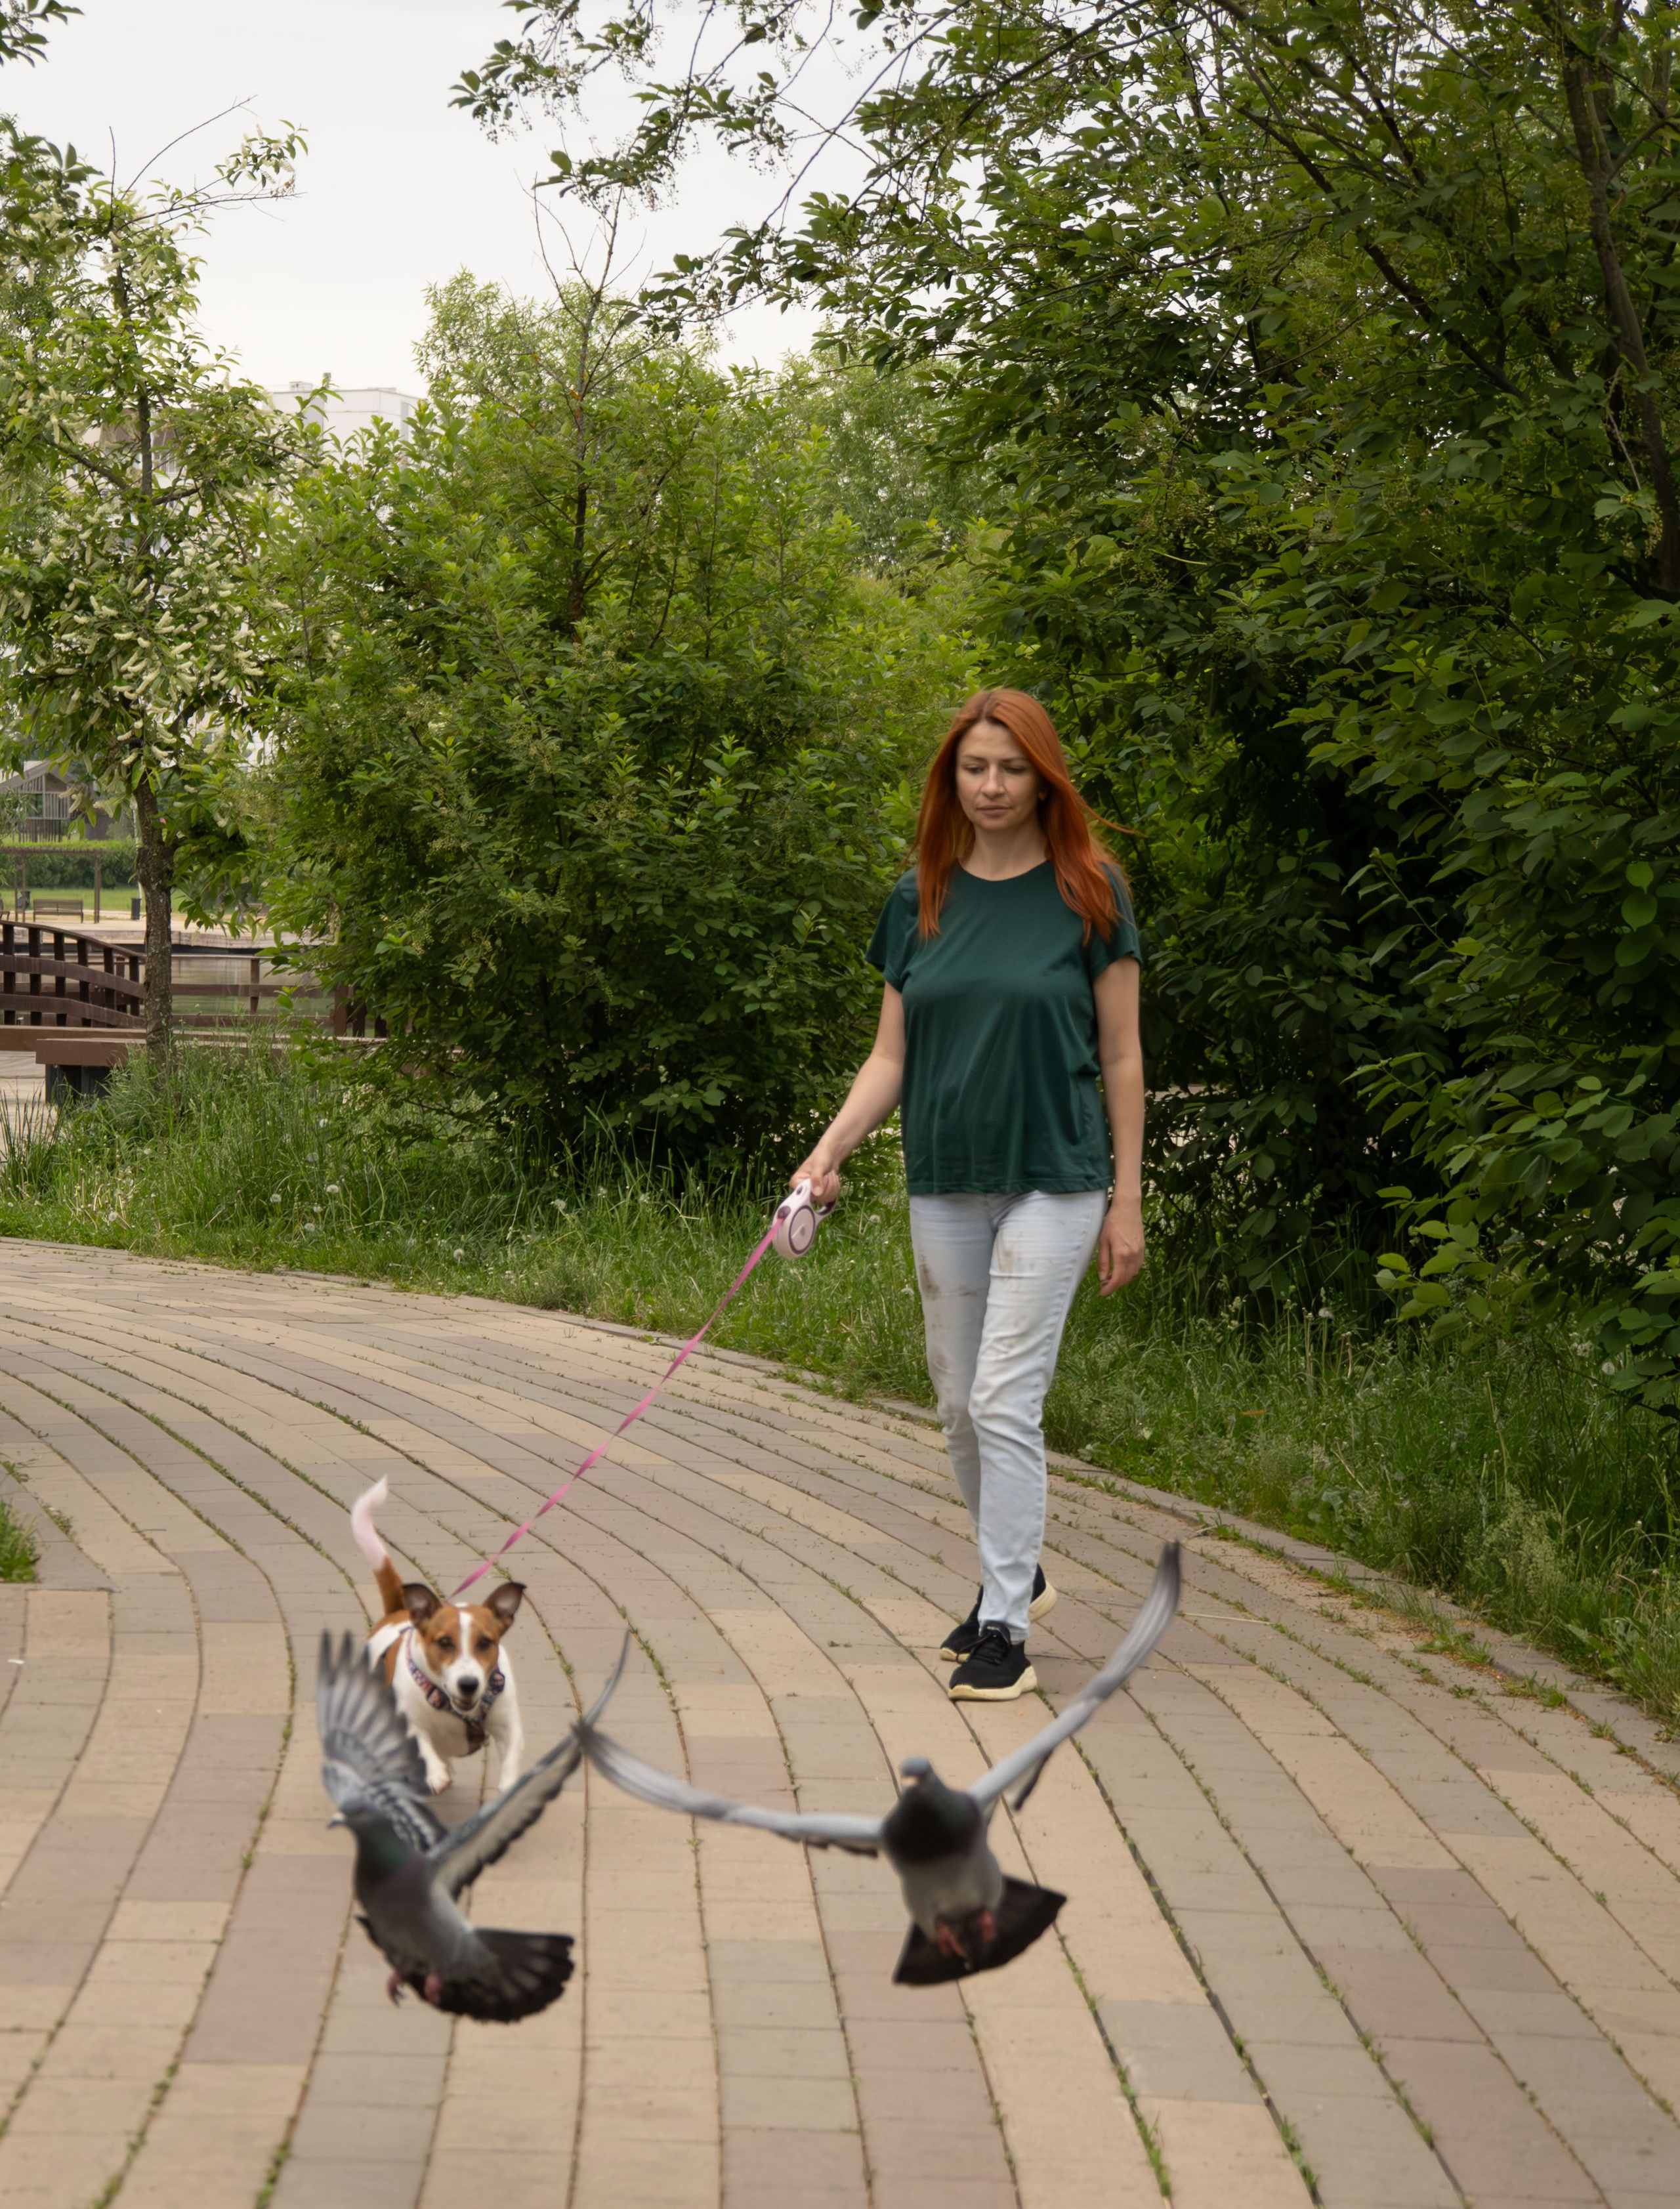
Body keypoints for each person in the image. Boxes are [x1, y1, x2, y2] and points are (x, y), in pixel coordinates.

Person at [792, 688, 1145, 1702]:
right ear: (951, 778)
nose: (991, 786)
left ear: (1045, 778)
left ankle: (1005, 1630)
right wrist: (828, 1152)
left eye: (1011, 769)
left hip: (1059, 1175)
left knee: (1004, 1397)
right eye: (973, 768)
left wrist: (1129, 1198)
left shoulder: (1092, 891)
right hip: (944, 1176)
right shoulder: (921, 897)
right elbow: (890, 1053)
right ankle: (1016, 1562)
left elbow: (1122, 1056)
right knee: (956, 1401)